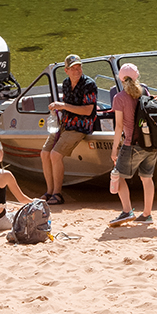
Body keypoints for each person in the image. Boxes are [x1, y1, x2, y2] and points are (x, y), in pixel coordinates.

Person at [41, 54, 98, 205]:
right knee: (44, 153)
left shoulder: (89, 84)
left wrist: (63, 106)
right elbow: (67, 106)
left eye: (79, 67)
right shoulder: (66, 83)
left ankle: (58, 194)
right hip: (65, 124)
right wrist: (56, 109)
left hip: (81, 125)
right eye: (73, 68)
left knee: (55, 154)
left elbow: (87, 111)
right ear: (66, 71)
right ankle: (49, 191)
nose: (77, 70)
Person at [108, 63, 157, 227]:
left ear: (121, 79)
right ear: (137, 76)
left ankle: (127, 210)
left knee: (118, 175)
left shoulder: (119, 97)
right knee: (147, 178)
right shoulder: (145, 92)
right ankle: (147, 214)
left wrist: (114, 149)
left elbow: (119, 126)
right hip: (150, 144)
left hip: (132, 144)